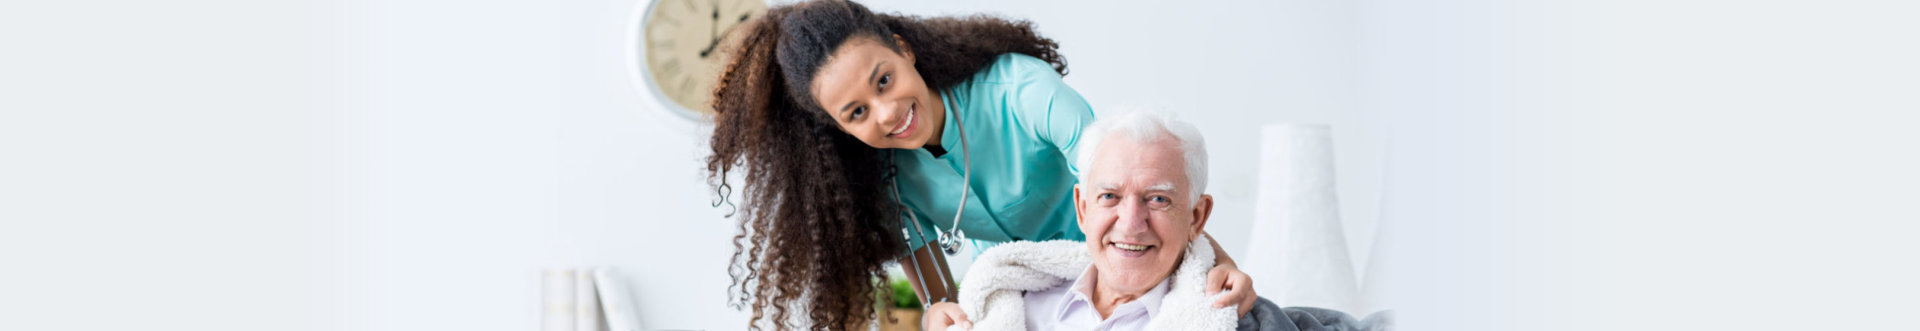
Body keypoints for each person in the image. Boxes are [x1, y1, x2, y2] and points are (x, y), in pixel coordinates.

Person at [703, 1, 1258, 329]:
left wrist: (1219, 263)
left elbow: (1131, 185)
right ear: (840, 127)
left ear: (903, 50)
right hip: (1021, 291)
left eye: (884, 80)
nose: (888, 112)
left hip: (1117, 263)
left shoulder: (1022, 91)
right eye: (857, 111)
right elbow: (929, 272)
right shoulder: (885, 179)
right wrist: (939, 308)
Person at [923, 112, 1394, 331]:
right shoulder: (1008, 304)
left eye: (1158, 200)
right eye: (1110, 196)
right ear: (1083, 209)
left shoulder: (1236, 318)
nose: (1131, 223)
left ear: (1197, 217)